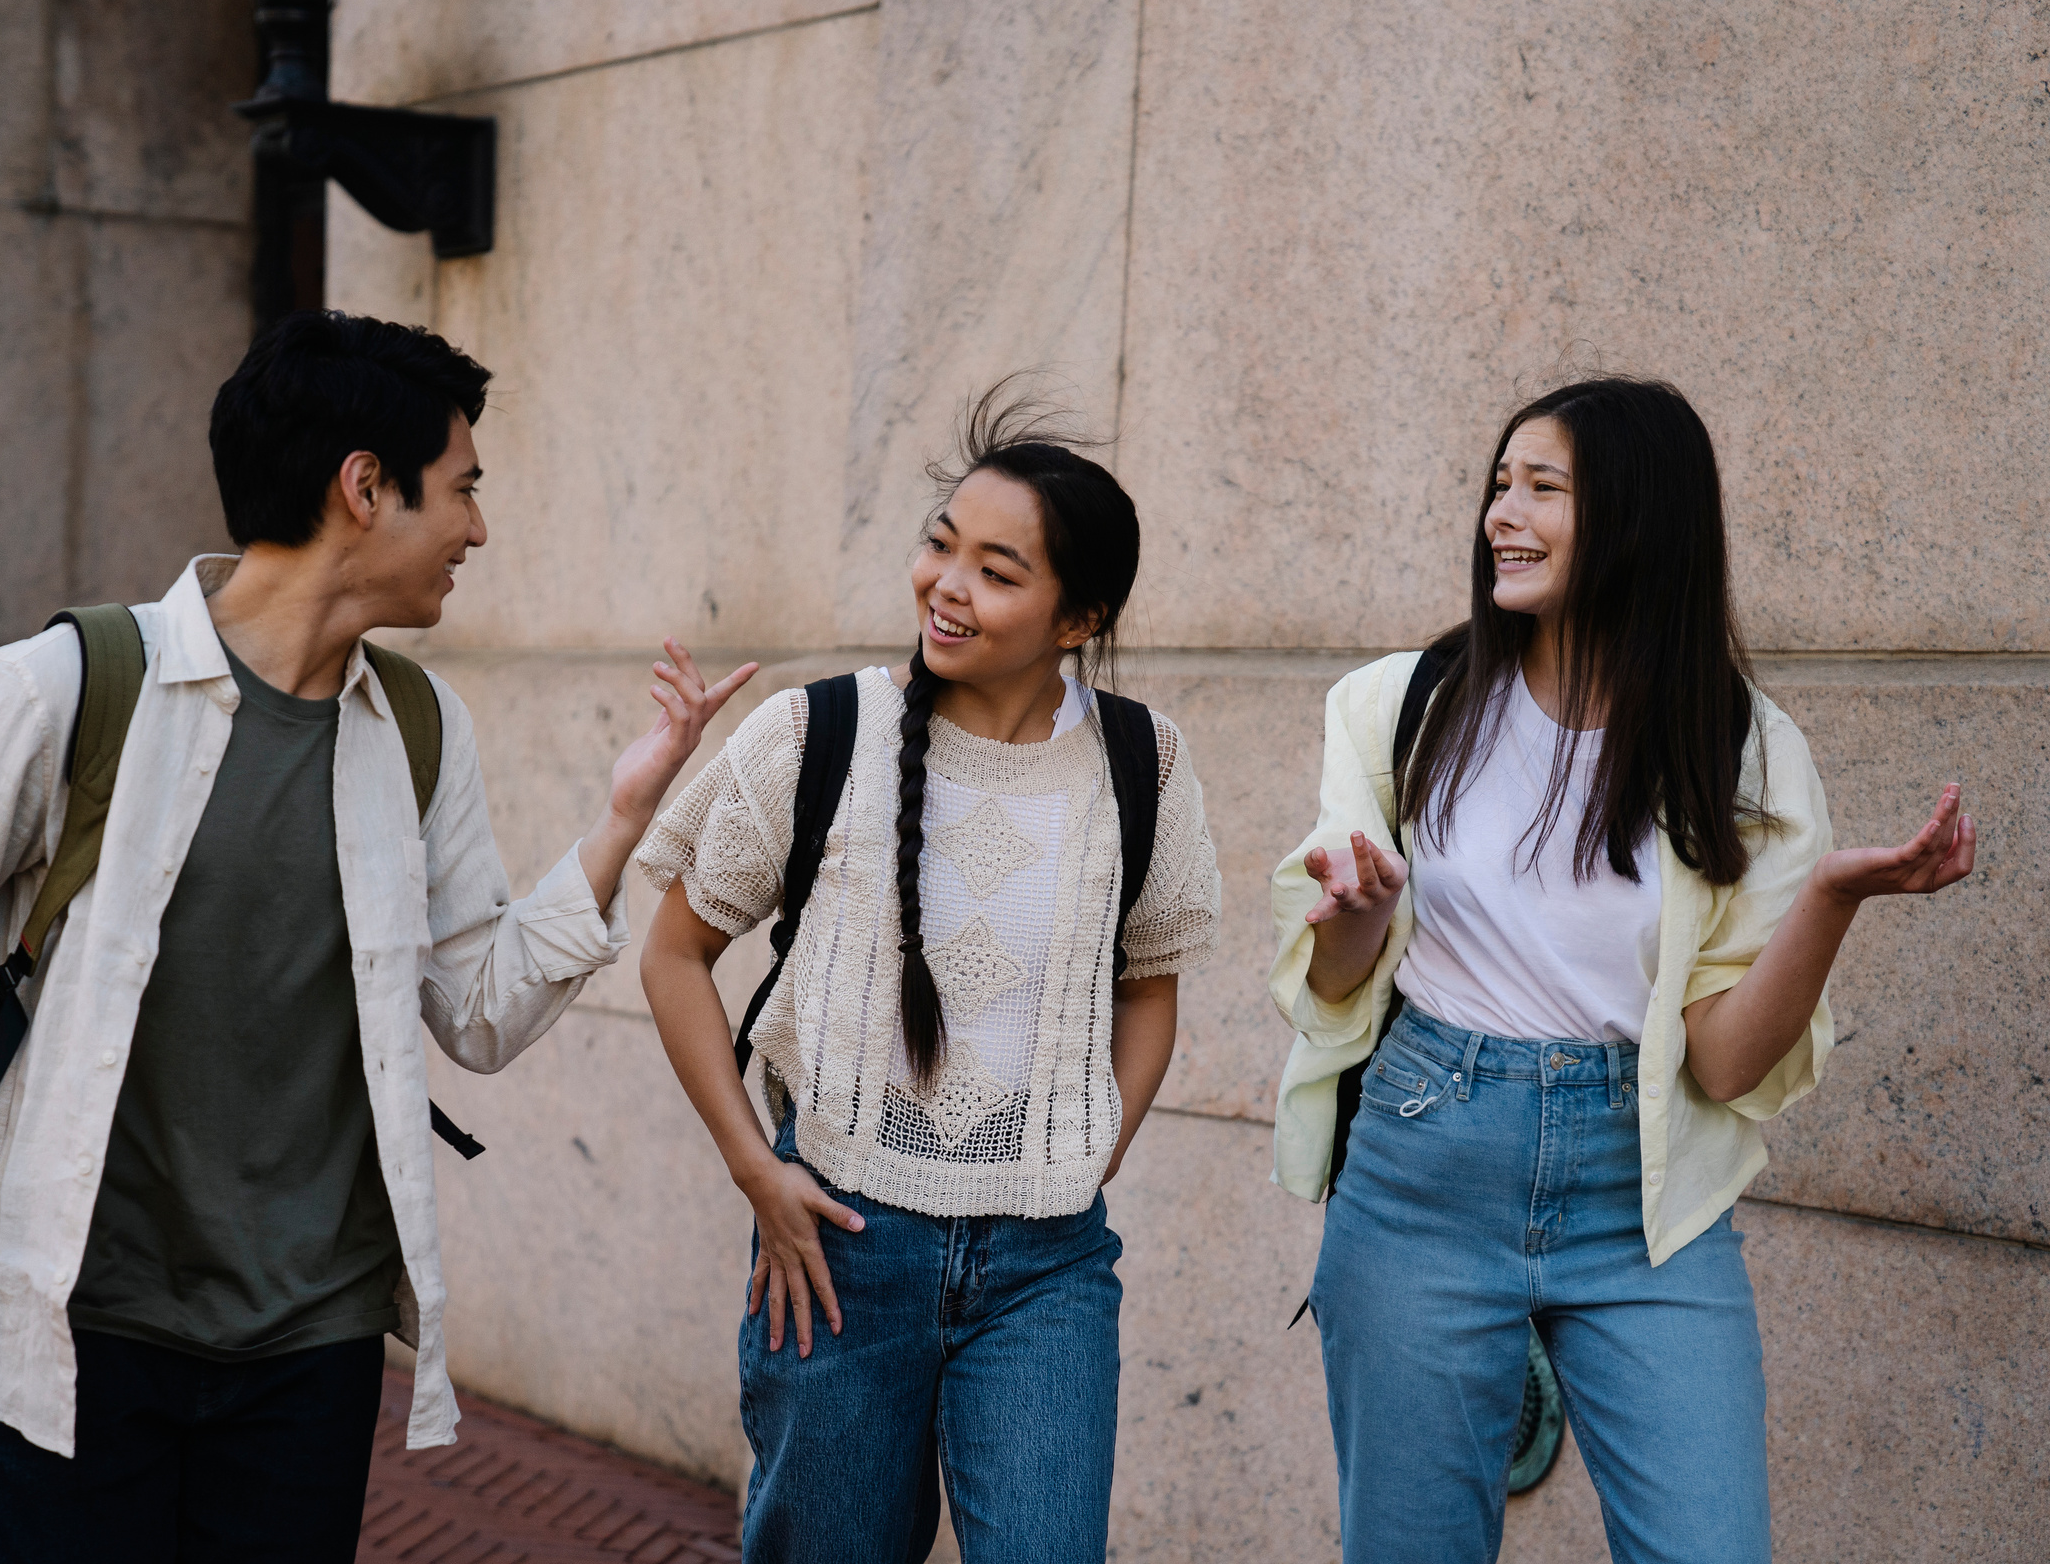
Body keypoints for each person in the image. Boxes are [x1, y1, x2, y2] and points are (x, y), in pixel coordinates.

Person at [0, 309, 756, 1562]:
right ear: (364, 487)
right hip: (84, 1317)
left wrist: (623, 815)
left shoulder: (415, 728)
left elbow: (477, 1004)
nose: (478, 528)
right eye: (463, 490)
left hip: (310, 1348)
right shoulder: (70, 683)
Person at [1268, 376, 1978, 1564]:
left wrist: (1833, 899)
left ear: (1641, 518)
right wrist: (1358, 912)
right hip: (1425, 1165)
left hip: (1643, 1197)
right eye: (1502, 484)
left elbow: (1723, 1055)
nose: (1505, 512)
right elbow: (1339, 981)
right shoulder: (1404, 704)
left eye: (1544, 487)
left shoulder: (1743, 745)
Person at [636, 386, 1223, 1563]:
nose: (948, 585)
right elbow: (673, 955)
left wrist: (1091, 1144)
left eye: (999, 571)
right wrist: (757, 1169)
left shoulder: (1139, 762)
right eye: (940, 544)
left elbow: (1150, 984)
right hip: (840, 1248)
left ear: (1079, 616)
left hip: (1048, 1266)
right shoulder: (818, 735)